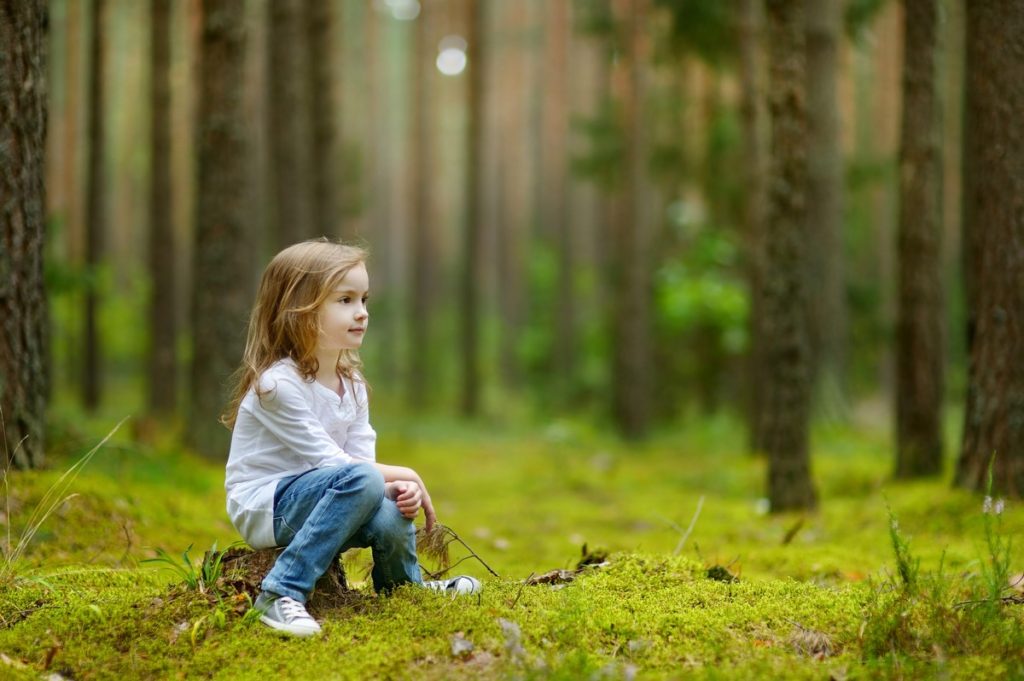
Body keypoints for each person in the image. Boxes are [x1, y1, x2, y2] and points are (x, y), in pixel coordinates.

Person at [223, 239, 480, 637]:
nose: (361, 313)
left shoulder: (353, 384)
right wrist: (404, 472)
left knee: (389, 503)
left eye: (364, 300)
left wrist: (395, 488)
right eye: (344, 300)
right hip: (266, 507)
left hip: (328, 495)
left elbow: (361, 466)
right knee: (367, 479)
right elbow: (339, 465)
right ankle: (280, 592)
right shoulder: (277, 384)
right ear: (300, 309)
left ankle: (404, 588)